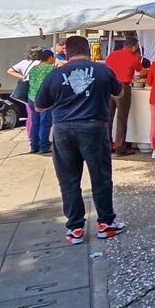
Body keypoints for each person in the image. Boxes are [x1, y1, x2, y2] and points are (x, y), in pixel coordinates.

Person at [34, 35, 126, 245]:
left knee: (69, 180)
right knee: (101, 177)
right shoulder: (103, 70)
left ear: (67, 52)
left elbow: (39, 106)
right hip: (94, 128)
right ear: (88, 50)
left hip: (64, 130)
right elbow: (119, 93)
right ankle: (105, 224)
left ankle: (75, 228)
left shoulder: (55, 75)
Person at [105, 35, 143, 155]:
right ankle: (120, 147)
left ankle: (107, 145)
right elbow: (142, 71)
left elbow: (106, 69)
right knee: (121, 119)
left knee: (108, 118)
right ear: (134, 47)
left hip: (109, 87)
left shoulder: (112, 55)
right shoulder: (133, 59)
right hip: (123, 88)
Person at [8, 46, 42, 149]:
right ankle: (38, 139)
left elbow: (9, 71)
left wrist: (23, 77)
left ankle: (30, 138)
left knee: (30, 116)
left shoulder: (23, 62)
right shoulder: (41, 63)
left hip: (27, 91)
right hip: (38, 90)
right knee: (40, 117)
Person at [27, 49, 56, 154]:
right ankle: (44, 146)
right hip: (45, 99)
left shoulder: (34, 69)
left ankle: (34, 146)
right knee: (45, 123)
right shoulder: (51, 69)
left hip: (31, 97)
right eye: (53, 57)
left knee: (35, 122)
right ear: (49, 57)